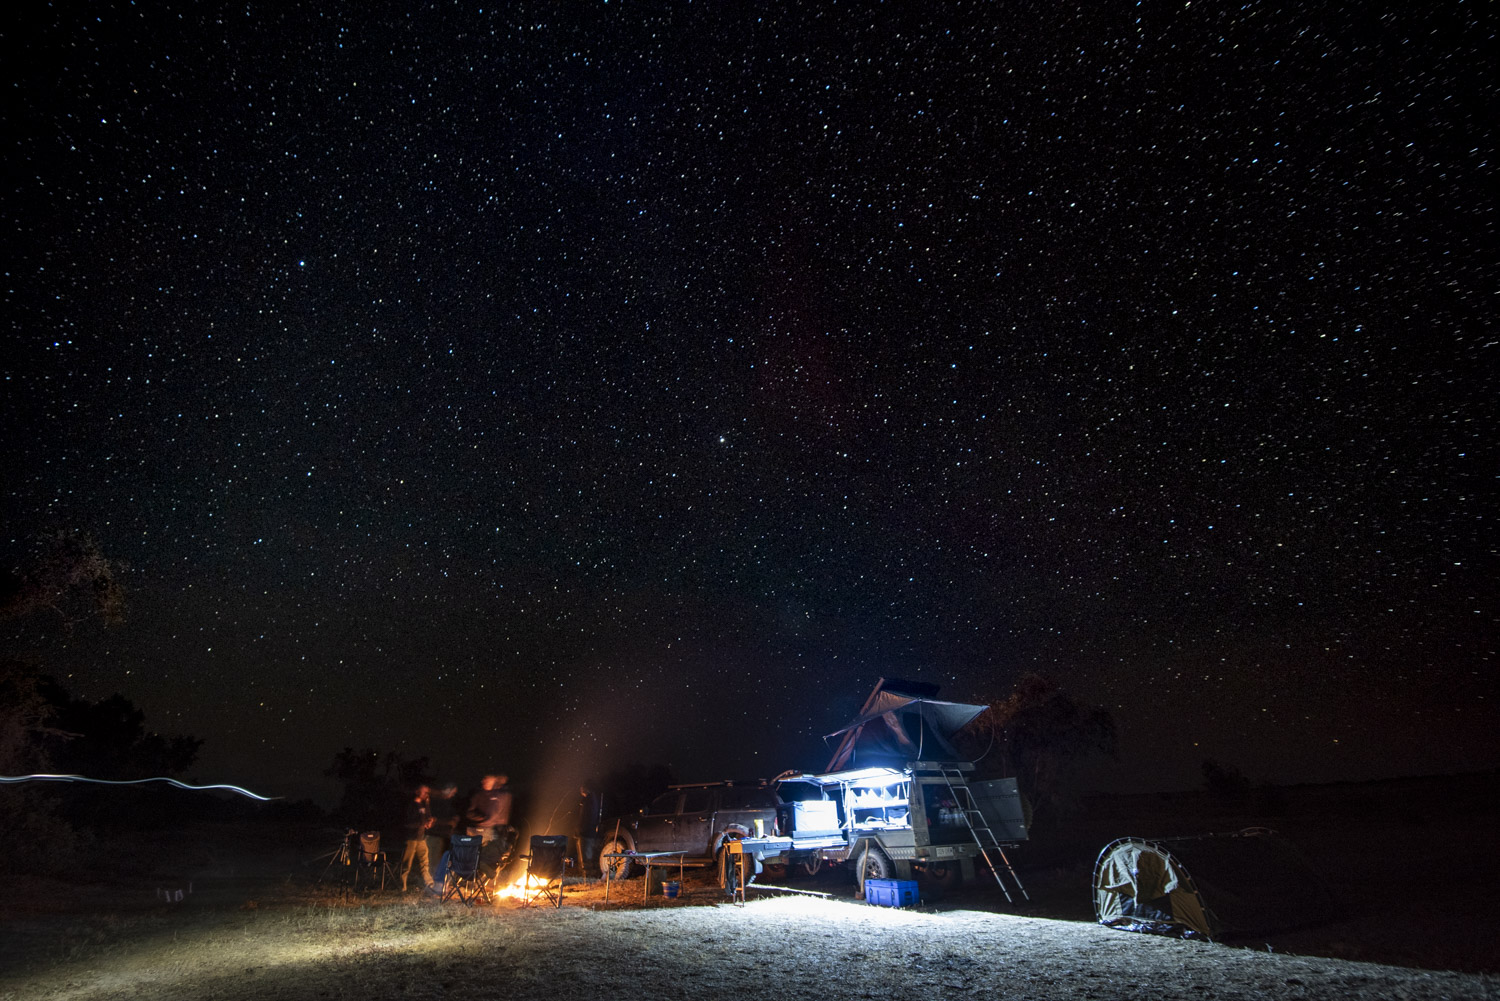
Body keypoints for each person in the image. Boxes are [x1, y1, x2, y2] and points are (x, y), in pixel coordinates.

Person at [466, 774, 514, 878]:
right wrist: (483, 818)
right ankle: (473, 877)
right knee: (476, 855)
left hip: (493, 829)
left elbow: (499, 811)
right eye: (484, 781)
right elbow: (470, 812)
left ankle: (483, 878)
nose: (484, 782)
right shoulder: (479, 795)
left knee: (491, 855)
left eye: (487, 781)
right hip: (478, 829)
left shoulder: (501, 795)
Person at [398, 784, 436, 893]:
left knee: (425, 862)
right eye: (424, 792)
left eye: (427, 792)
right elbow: (407, 823)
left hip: (421, 838)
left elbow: (427, 818)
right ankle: (403, 885)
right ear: (417, 792)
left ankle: (429, 884)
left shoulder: (423, 805)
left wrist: (429, 822)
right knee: (407, 863)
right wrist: (422, 823)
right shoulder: (411, 805)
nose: (426, 794)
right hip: (411, 838)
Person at [427, 781, 460, 887]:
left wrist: (454, 819)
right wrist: (449, 822)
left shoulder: (448, 802)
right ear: (447, 790)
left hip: (445, 836)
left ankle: (441, 884)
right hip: (434, 835)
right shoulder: (435, 801)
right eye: (452, 792)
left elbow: (452, 816)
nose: (453, 795)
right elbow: (432, 820)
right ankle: (434, 885)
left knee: (444, 860)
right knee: (434, 861)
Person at [577, 784, 603, 878]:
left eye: (582, 788)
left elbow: (585, 817)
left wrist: (581, 829)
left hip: (586, 832)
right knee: (590, 853)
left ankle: (588, 875)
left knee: (587, 854)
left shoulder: (588, 801)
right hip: (590, 831)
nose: (580, 791)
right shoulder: (593, 799)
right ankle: (590, 874)